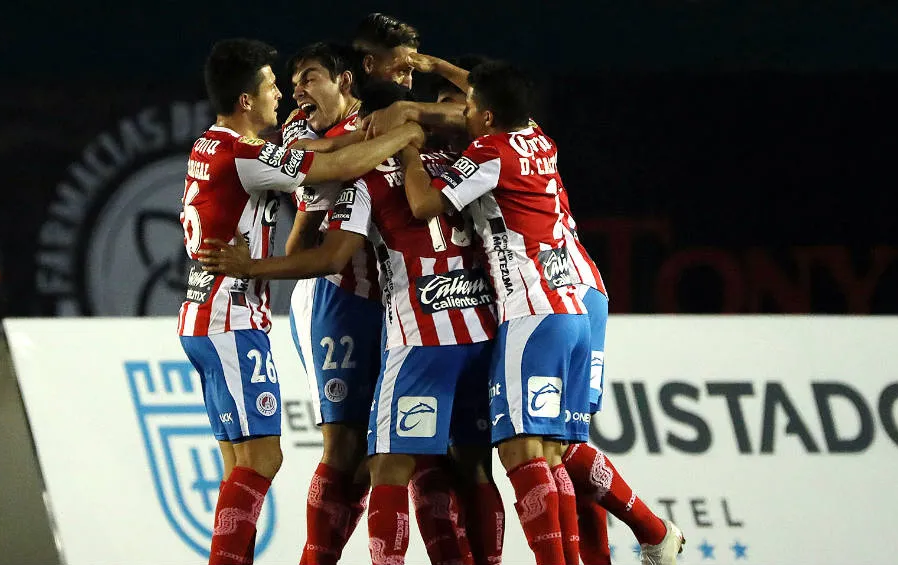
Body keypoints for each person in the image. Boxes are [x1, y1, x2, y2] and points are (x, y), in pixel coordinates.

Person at [198, 81, 504, 565]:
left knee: (389, 462)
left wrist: (253, 266)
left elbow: (328, 253)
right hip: (471, 325)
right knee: (459, 462)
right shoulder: (463, 162)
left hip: (417, 330)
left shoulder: (365, 178)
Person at [399, 61, 687, 565]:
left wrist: (405, 131)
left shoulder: (488, 152)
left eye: (461, 107)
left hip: (540, 303)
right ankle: (643, 536)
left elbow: (424, 205)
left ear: (485, 113)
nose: (453, 115)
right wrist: (434, 65)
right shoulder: (535, 135)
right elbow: (498, 94)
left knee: (535, 447)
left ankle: (641, 534)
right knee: (562, 445)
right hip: (580, 292)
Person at [179, 38, 424, 565]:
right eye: (272, 86)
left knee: (240, 463)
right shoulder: (245, 155)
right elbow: (336, 167)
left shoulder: (213, 145)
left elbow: (326, 153)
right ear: (246, 99)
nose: (281, 96)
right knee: (262, 460)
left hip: (204, 315)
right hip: (232, 315)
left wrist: (371, 128)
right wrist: (405, 133)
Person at [279, 42, 382, 565]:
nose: (298, 91)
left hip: (395, 303)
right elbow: (334, 165)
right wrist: (384, 138)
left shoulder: (378, 119)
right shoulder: (298, 134)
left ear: (344, 81)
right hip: (334, 294)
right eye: (293, 82)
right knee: (342, 445)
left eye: (310, 77)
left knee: (386, 452)